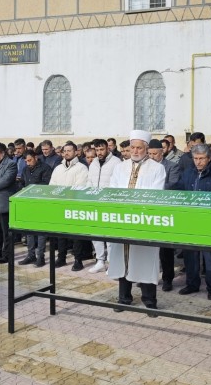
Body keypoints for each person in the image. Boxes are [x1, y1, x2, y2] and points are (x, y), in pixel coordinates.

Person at [108, 130, 166, 315]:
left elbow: (155, 195)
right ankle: (124, 298)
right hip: (123, 220)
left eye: (139, 148)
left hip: (144, 221)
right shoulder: (120, 167)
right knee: (122, 260)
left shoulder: (157, 168)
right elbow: (113, 191)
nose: (135, 151)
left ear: (146, 148)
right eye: (132, 147)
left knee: (145, 261)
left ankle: (150, 301)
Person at [178, 144, 211, 299]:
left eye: (201, 158)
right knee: (190, 255)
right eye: (195, 158)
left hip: (208, 220)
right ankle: (192, 284)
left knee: (210, 257)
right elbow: (180, 191)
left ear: (209, 158)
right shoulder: (188, 173)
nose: (198, 162)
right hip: (190, 219)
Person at [49, 143, 90, 271]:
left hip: (74, 205)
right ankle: (61, 258)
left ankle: (78, 260)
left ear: (76, 152)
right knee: (61, 234)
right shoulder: (58, 168)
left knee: (76, 235)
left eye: (69, 150)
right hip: (60, 205)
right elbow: (52, 185)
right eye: (64, 151)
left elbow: (80, 186)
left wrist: (66, 196)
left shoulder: (81, 168)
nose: (66, 153)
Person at [149, 139, 182, 290]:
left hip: (164, 211)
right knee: (148, 248)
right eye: (149, 154)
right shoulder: (144, 167)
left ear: (162, 152)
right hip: (148, 211)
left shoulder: (172, 166)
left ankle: (168, 278)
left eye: (155, 154)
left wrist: (153, 189)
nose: (152, 157)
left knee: (165, 249)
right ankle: (149, 277)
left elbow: (172, 185)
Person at [87, 139, 121, 273]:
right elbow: (89, 181)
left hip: (109, 204)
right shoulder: (94, 163)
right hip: (95, 203)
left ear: (108, 149)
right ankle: (100, 261)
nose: (99, 152)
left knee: (110, 236)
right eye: (97, 150)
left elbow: (117, 183)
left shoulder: (116, 162)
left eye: (102, 149)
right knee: (95, 234)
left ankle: (112, 263)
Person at [19, 149, 53, 267]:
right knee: (29, 231)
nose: (28, 163)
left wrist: (32, 188)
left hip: (40, 202)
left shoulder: (45, 168)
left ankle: (41, 257)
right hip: (28, 202)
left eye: (30, 160)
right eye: (26, 161)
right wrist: (22, 187)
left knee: (40, 231)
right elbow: (22, 182)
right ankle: (30, 255)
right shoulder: (25, 169)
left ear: (35, 158)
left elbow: (47, 184)